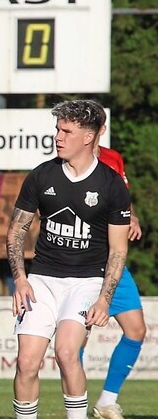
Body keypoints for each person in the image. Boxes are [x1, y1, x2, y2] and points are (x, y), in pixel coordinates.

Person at [7, 99, 131, 419]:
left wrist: (104, 300)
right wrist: (20, 279)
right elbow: (16, 232)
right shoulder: (41, 175)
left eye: (66, 131)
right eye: (57, 130)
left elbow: (118, 250)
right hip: (42, 280)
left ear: (88, 137)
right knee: (26, 363)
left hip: (86, 280)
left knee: (66, 352)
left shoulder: (111, 184)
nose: (58, 137)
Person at [86, 127, 145, 419]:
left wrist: (130, 216)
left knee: (136, 329)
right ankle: (75, 402)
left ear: (101, 129)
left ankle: (107, 402)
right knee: (77, 339)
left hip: (113, 263)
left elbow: (123, 198)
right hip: (83, 263)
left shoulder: (113, 158)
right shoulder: (69, 163)